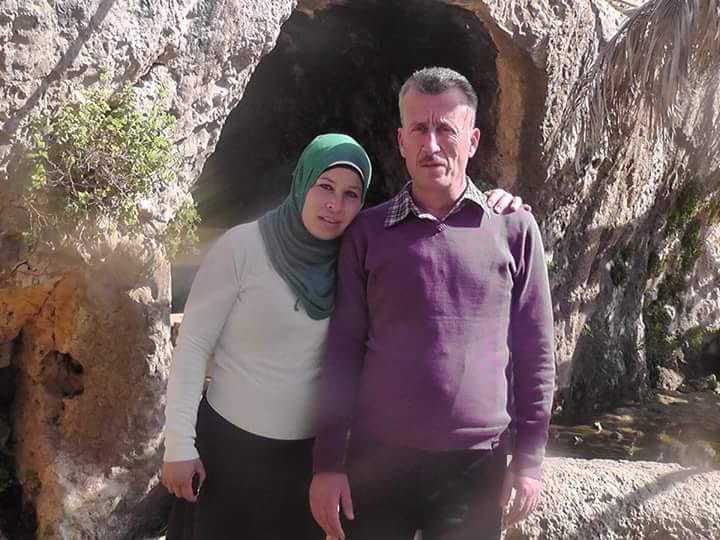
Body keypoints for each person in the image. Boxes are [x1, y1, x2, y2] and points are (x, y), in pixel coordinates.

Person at [160, 132, 526, 539]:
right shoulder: (242, 247)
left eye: (351, 194)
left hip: (305, 462)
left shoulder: (358, 254)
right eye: (325, 186)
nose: (335, 204)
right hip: (229, 452)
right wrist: (179, 445)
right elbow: (193, 346)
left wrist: (497, 205)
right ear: (302, 181)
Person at [309, 67, 555, 540]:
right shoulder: (367, 233)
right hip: (376, 462)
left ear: (473, 140)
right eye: (419, 129)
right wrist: (329, 463)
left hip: (475, 466)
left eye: (447, 130)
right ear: (401, 141)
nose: (432, 144)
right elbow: (342, 352)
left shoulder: (514, 230)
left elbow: (536, 354)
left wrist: (528, 459)